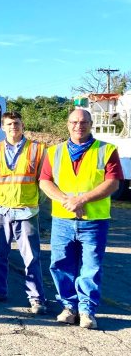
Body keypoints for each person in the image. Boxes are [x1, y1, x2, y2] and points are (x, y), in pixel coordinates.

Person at [39, 108, 123, 329]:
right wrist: (67, 200)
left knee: (91, 267)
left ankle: (86, 311)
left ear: (91, 123)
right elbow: (45, 181)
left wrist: (82, 200)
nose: (79, 125)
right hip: (62, 220)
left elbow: (113, 182)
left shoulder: (107, 150)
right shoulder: (54, 152)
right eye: (74, 122)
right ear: (68, 124)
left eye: (84, 121)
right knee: (60, 265)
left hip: (94, 221)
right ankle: (69, 307)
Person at [0, 112, 47, 314]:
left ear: (22, 125)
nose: (13, 127)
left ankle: (36, 299)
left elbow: (44, 181)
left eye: (16, 123)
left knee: (31, 258)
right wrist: (1, 199)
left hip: (26, 211)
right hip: (0, 210)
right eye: (9, 124)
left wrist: (35, 202)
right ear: (3, 127)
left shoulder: (37, 149)